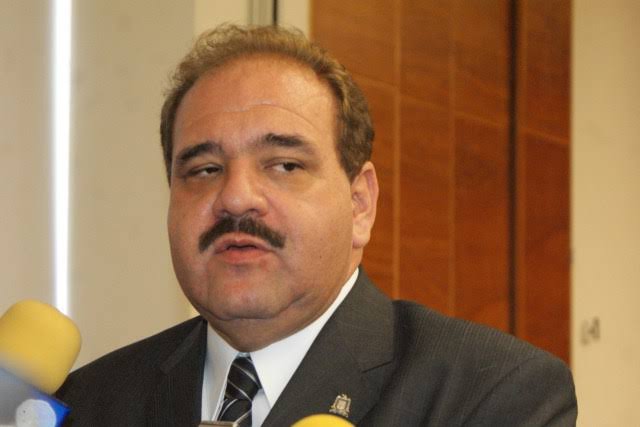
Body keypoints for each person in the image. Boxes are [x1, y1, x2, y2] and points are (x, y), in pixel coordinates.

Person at [56, 24, 577, 426]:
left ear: (360, 205)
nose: (235, 196)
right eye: (205, 170)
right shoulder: (91, 401)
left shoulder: (491, 394)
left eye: (285, 165)